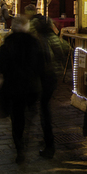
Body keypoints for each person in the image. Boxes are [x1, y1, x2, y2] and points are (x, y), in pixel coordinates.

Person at [0, 15, 47, 162]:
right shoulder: (34, 43)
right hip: (31, 86)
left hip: (13, 86)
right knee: (29, 116)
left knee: (17, 118)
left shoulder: (7, 43)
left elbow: (2, 67)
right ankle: (26, 139)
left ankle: (19, 146)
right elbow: (41, 66)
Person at [28, 13, 67, 157]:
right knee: (44, 109)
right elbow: (65, 50)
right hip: (51, 79)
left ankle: (48, 143)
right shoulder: (52, 38)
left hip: (43, 79)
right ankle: (46, 140)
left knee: (43, 110)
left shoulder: (38, 41)